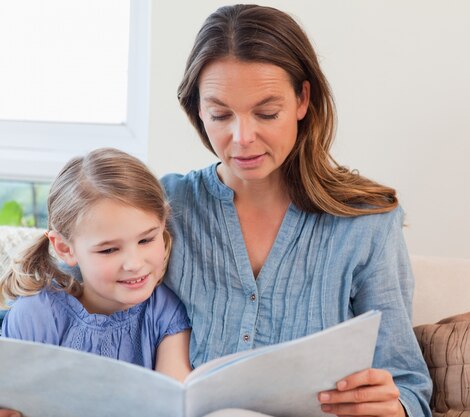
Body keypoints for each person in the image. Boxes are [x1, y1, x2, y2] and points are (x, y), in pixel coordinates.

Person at [162, 4, 432, 417]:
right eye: (220, 115)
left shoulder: (367, 223)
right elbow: (61, 303)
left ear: (303, 99)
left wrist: (393, 406)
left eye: (267, 113)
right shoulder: (163, 208)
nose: (242, 137)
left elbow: (409, 387)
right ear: (197, 110)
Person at [0, 148, 192, 383]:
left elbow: (174, 399)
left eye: (146, 240)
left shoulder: (165, 312)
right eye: (109, 250)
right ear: (65, 249)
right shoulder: (37, 314)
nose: (134, 264)